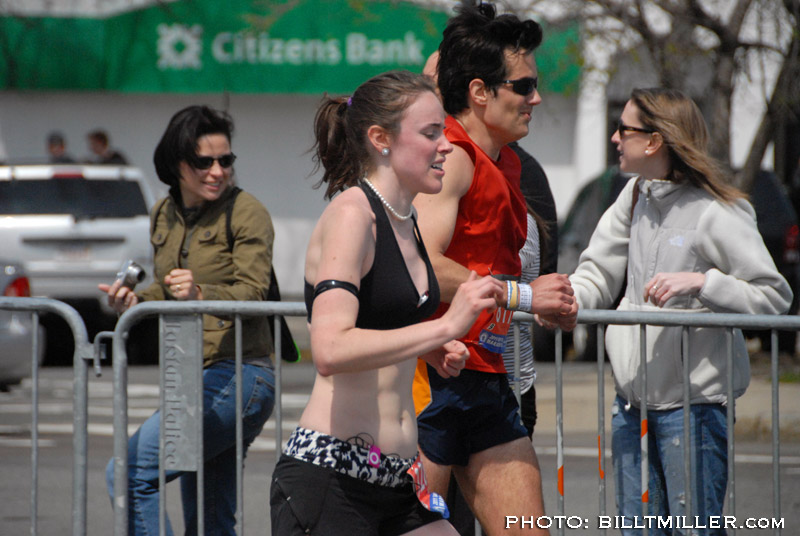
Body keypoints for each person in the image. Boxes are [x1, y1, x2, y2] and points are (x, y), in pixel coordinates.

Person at [269, 70, 505, 536]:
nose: (447, 147)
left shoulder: (406, 217)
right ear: (381, 139)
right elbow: (331, 349)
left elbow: (380, 319)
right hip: (332, 480)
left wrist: (427, 349)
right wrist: (445, 327)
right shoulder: (352, 215)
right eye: (431, 133)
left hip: (394, 479)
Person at [569, 88, 792, 534]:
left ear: (654, 141)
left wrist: (704, 284)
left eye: (624, 129)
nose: (615, 138)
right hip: (631, 406)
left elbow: (773, 296)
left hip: (693, 411)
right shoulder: (632, 197)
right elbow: (596, 273)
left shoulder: (717, 211)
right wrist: (566, 301)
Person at [412, 4, 577, 535]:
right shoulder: (451, 157)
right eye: (523, 86)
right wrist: (526, 298)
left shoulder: (505, 161)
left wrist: (538, 298)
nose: (537, 98)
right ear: (481, 92)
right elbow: (422, 266)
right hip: (428, 378)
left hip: (485, 378)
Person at [99, 105, 276, 536]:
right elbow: (168, 285)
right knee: (211, 522)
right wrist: (135, 300)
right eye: (204, 162)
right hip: (191, 377)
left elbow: (254, 292)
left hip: (240, 375)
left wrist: (201, 295)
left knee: (127, 474)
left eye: (226, 160)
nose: (217, 171)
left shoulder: (246, 211)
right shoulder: (163, 213)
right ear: (177, 163)